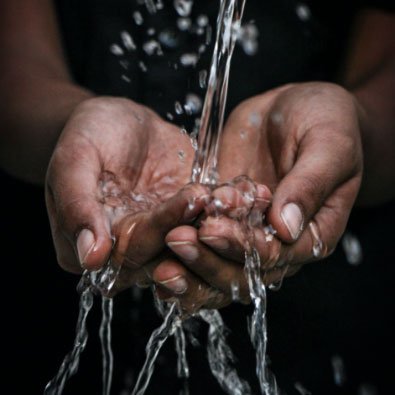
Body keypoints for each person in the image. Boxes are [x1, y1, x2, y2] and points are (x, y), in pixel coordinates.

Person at [0, 0, 394, 393]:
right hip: (43, 294)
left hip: (322, 307)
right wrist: (70, 128)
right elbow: (16, 74)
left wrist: (354, 130)